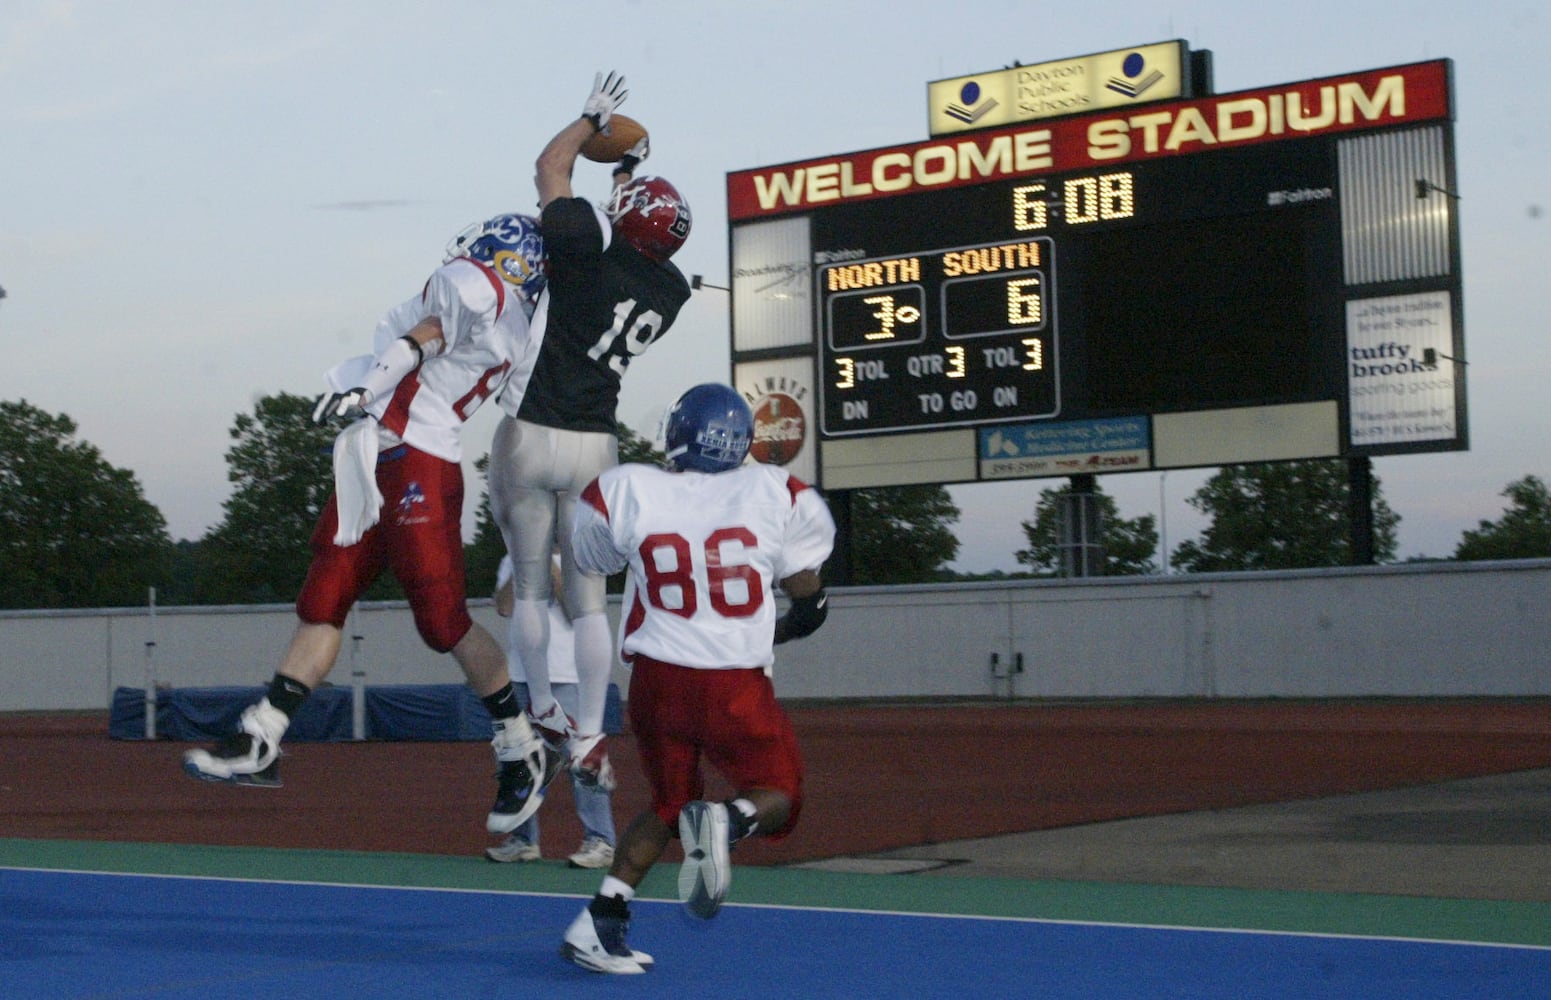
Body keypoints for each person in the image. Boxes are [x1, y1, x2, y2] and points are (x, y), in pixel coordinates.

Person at [183, 214, 560, 837]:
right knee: (324, 599)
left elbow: (428, 336)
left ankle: (522, 746)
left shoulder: (471, 284)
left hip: (419, 460)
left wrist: (368, 384)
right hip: (376, 455)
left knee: (444, 622)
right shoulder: (522, 324)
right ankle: (264, 738)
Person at [558, 383, 835, 975]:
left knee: (667, 803)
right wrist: (798, 618)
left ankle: (598, 924)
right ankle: (729, 821)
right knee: (781, 794)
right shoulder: (777, 490)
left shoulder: (624, 487)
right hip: (731, 683)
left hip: (657, 682)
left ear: (676, 435)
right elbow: (805, 591)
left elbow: (594, 560)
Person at [488, 70, 693, 797]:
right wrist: (632, 169)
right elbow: (638, 231)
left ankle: (540, 706)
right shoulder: (669, 292)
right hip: (594, 444)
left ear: (625, 218)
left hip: (532, 428)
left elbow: (550, 169)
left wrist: (588, 120)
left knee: (531, 588)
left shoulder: (582, 246)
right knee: (588, 597)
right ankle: (587, 731)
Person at [486, 553, 616, 869]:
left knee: (581, 760)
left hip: (568, 674)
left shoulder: (583, 558)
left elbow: (578, 613)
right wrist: (524, 563)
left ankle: (601, 840)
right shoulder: (512, 557)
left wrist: (548, 565)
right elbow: (504, 607)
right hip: (521, 676)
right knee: (515, 759)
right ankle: (523, 840)